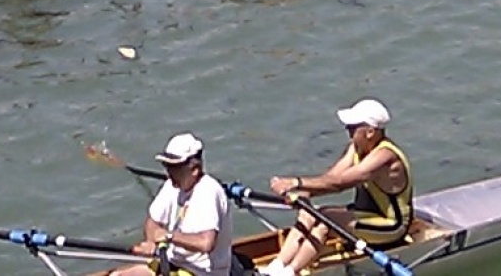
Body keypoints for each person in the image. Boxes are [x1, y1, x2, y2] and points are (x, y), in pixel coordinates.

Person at [257, 100, 414, 276]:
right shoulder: (356, 148)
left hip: (391, 226)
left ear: (370, 132)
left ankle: (290, 272)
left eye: (352, 127)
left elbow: (339, 184)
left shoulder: (385, 157)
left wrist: (295, 182)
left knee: (324, 220)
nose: (348, 131)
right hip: (367, 215)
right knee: (309, 212)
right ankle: (276, 266)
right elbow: (331, 177)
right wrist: (303, 194)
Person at [106, 134, 230, 276]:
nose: (168, 173)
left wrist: (169, 237)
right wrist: (151, 241)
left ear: (194, 169)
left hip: (200, 272)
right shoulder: (172, 185)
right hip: (171, 262)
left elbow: (206, 243)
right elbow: (153, 222)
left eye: (174, 167)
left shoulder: (209, 192)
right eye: (167, 166)